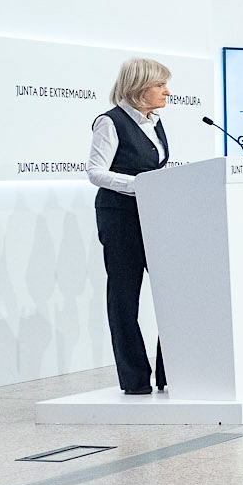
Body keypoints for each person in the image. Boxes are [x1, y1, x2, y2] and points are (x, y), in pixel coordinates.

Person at [87, 58, 173, 396]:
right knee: (124, 299)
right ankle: (135, 379)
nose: (167, 92)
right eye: (160, 85)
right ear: (139, 88)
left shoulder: (155, 122)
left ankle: (171, 372)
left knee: (173, 294)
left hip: (155, 217)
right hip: (120, 217)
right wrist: (140, 186)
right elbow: (96, 172)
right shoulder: (110, 122)